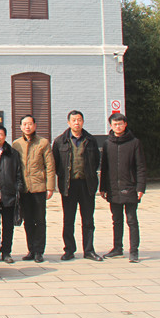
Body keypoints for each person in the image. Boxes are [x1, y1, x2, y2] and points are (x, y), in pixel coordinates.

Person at [53, 110, 104, 262]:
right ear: (68, 122)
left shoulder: (90, 140)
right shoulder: (60, 141)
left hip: (87, 184)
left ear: (83, 122)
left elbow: (96, 161)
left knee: (88, 220)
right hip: (68, 185)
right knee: (68, 220)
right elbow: (56, 163)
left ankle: (89, 250)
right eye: (74, 120)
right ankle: (69, 250)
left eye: (79, 120)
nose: (77, 123)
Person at [100, 113, 147, 263]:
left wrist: (140, 187)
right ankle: (117, 248)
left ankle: (134, 251)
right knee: (116, 220)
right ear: (111, 126)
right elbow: (104, 167)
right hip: (113, 187)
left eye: (120, 124)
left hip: (130, 187)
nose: (118, 126)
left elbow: (141, 167)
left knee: (132, 220)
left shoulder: (134, 143)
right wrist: (103, 187)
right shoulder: (108, 144)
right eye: (115, 124)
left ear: (125, 124)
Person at [11, 115, 55, 263]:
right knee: (28, 221)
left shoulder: (43, 143)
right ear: (20, 127)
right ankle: (31, 250)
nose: (27, 127)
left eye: (30, 124)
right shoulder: (16, 144)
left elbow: (50, 166)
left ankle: (39, 251)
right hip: (24, 189)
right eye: (24, 124)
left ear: (35, 126)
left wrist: (50, 187)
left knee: (40, 220)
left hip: (39, 187)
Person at [0, 125, 24, 264]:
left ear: (5, 136)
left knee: (8, 226)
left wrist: (18, 189)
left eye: (1, 134)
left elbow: (18, 173)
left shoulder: (13, 153)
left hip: (9, 194)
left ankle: (7, 252)